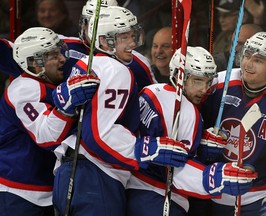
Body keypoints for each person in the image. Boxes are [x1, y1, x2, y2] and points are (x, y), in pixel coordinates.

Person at [52, 6, 188, 216]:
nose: (132, 43)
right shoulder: (116, 70)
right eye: (124, 37)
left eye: (132, 35)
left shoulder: (86, 63)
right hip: (95, 177)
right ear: (105, 41)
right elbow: (99, 135)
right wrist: (149, 149)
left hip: (68, 173)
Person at [126, 46, 258, 216]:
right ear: (178, 76)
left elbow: (164, 148)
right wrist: (214, 177)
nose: (204, 89)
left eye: (207, 81)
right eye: (197, 81)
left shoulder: (150, 90)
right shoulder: (188, 111)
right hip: (160, 197)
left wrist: (201, 147)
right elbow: (176, 170)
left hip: (132, 190)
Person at [0, 27, 99, 216]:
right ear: (34, 63)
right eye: (54, 55)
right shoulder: (25, 89)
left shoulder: (44, 84)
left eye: (60, 52)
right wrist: (66, 106)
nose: (63, 59)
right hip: (17, 193)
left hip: (39, 191)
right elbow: (46, 136)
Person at [200, 32, 266, 215]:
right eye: (247, 55)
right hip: (207, 187)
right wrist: (201, 140)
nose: (248, 64)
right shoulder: (219, 83)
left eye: (259, 60)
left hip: (255, 199)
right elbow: (190, 118)